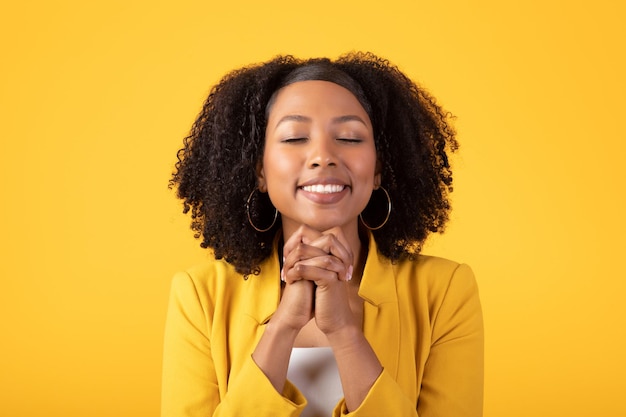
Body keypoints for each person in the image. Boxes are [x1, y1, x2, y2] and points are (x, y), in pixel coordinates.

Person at [162, 52, 483, 417]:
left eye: (348, 137)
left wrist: (345, 333)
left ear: (378, 169)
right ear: (259, 172)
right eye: (295, 137)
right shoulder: (200, 296)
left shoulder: (444, 291)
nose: (323, 156)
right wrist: (283, 326)